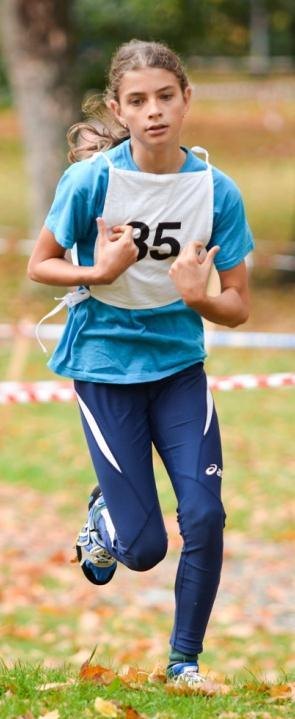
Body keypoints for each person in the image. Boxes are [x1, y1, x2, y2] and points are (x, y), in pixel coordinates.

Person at [28, 39, 254, 687]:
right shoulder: (91, 180)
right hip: (104, 370)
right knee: (146, 549)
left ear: (186, 100)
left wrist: (199, 298)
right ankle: (107, 516)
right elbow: (38, 264)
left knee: (205, 513)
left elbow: (237, 305)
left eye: (164, 96)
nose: (153, 110)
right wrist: (99, 270)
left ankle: (183, 662)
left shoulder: (217, 192)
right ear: (118, 110)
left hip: (179, 367)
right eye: (137, 100)